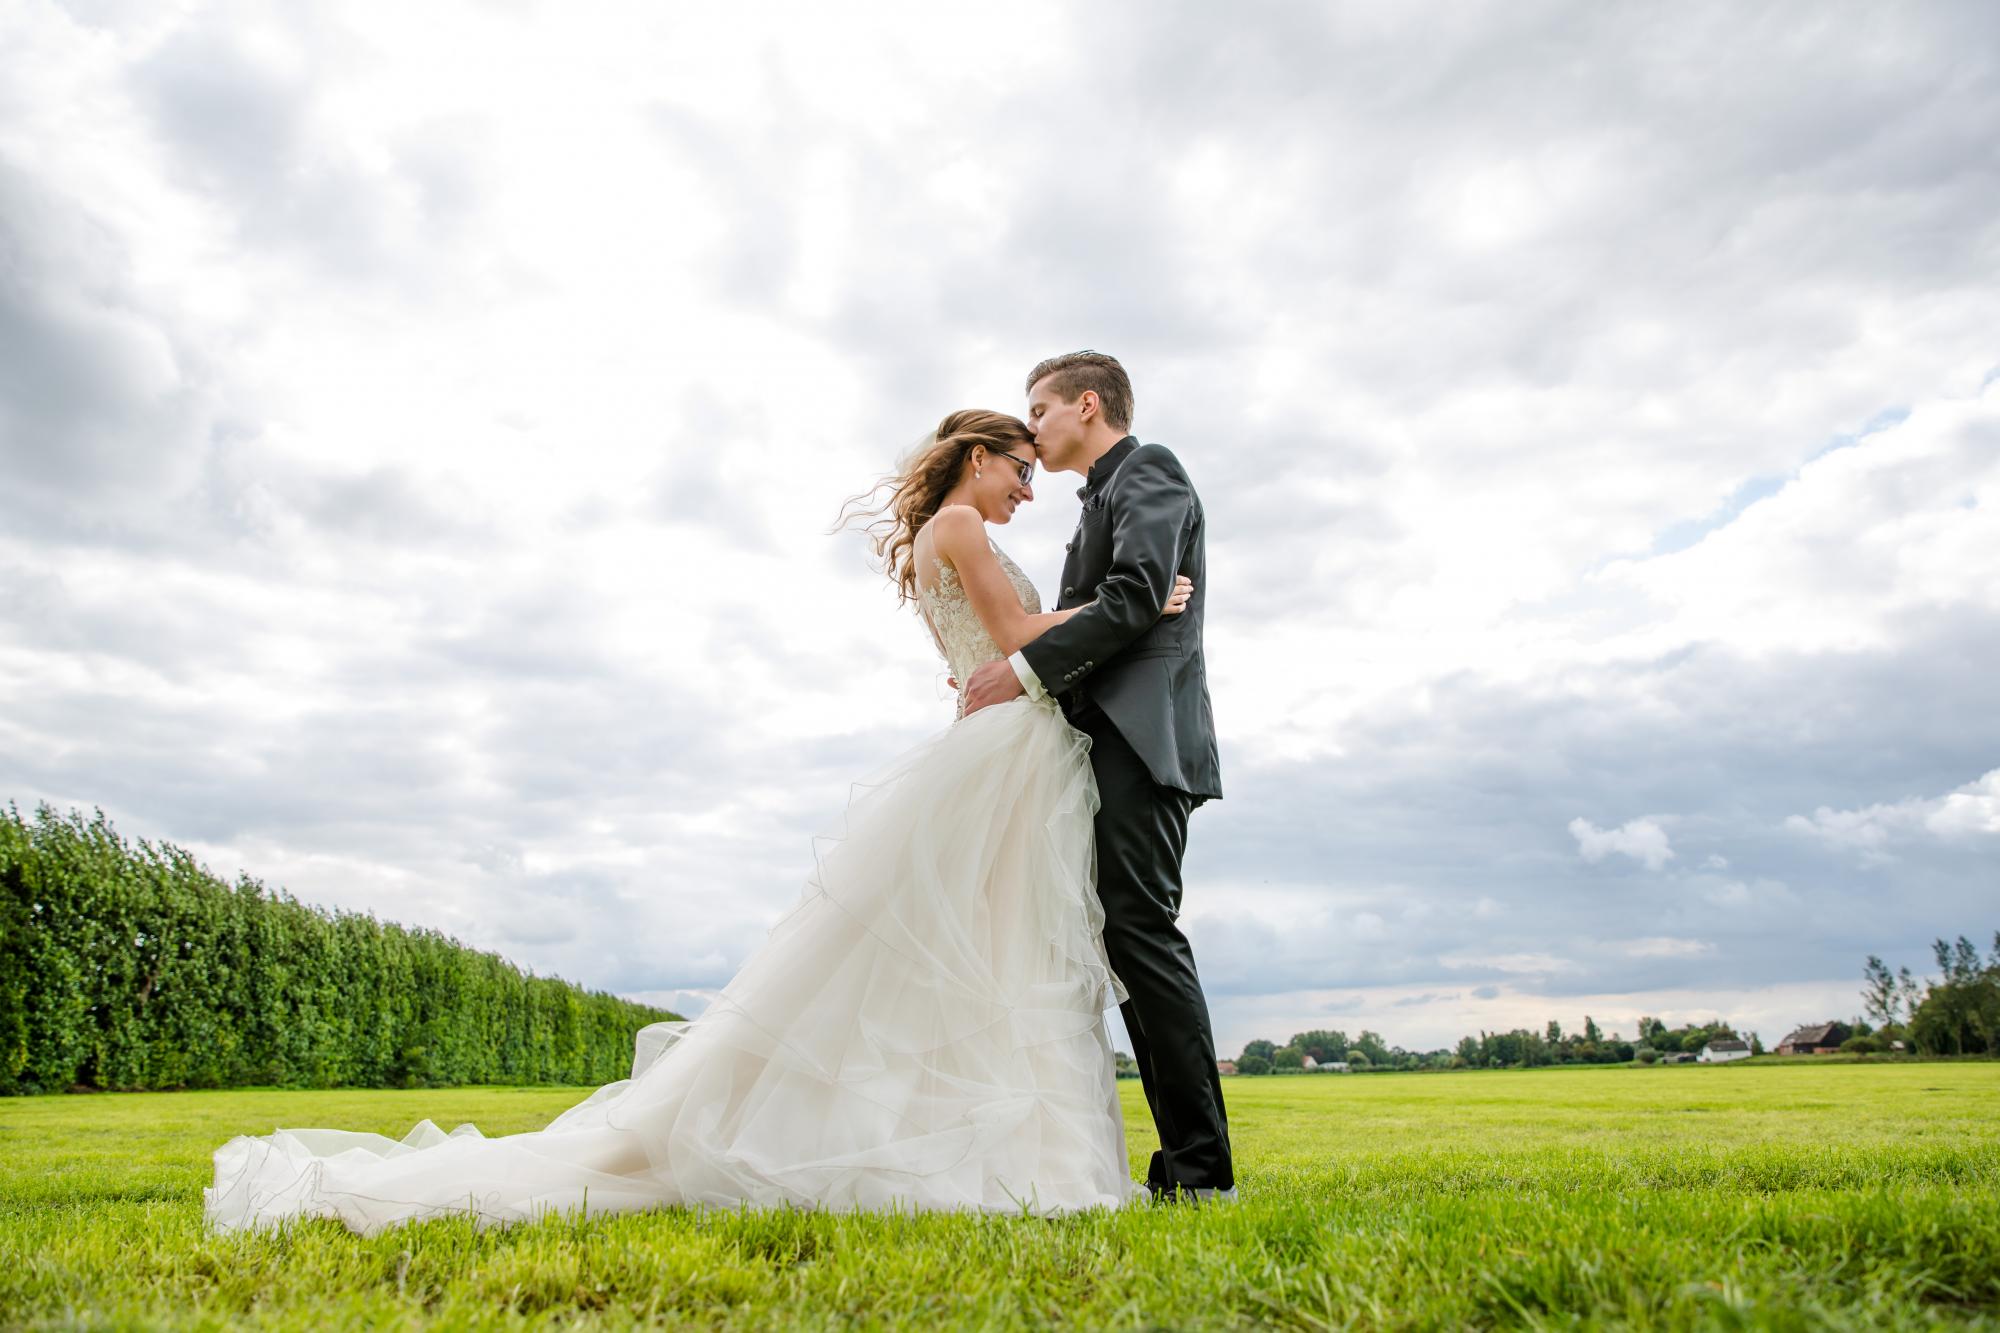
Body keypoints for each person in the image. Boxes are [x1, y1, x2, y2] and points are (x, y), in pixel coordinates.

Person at [204, 408, 1193, 1235]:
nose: (1026, 491)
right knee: (997, 945)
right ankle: (1012, 1157)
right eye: (1019, 471)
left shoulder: (950, 533)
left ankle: (999, 1147)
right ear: (979, 457)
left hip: (1005, 745)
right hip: (1004, 750)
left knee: (991, 948)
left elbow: (979, 648)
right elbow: (1015, 638)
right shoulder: (964, 530)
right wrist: (1136, 607)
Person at [961, 352, 1234, 1203]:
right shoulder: (1095, 504)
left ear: (1088, 403)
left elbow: (1136, 595)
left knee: (1143, 937)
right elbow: (1122, 602)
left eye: (1039, 409)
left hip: (1143, 742)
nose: (1032, 427)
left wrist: (1022, 671)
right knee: (1125, 941)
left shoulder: (1150, 471)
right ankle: (1185, 1171)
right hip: (1100, 742)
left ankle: (1202, 1173)